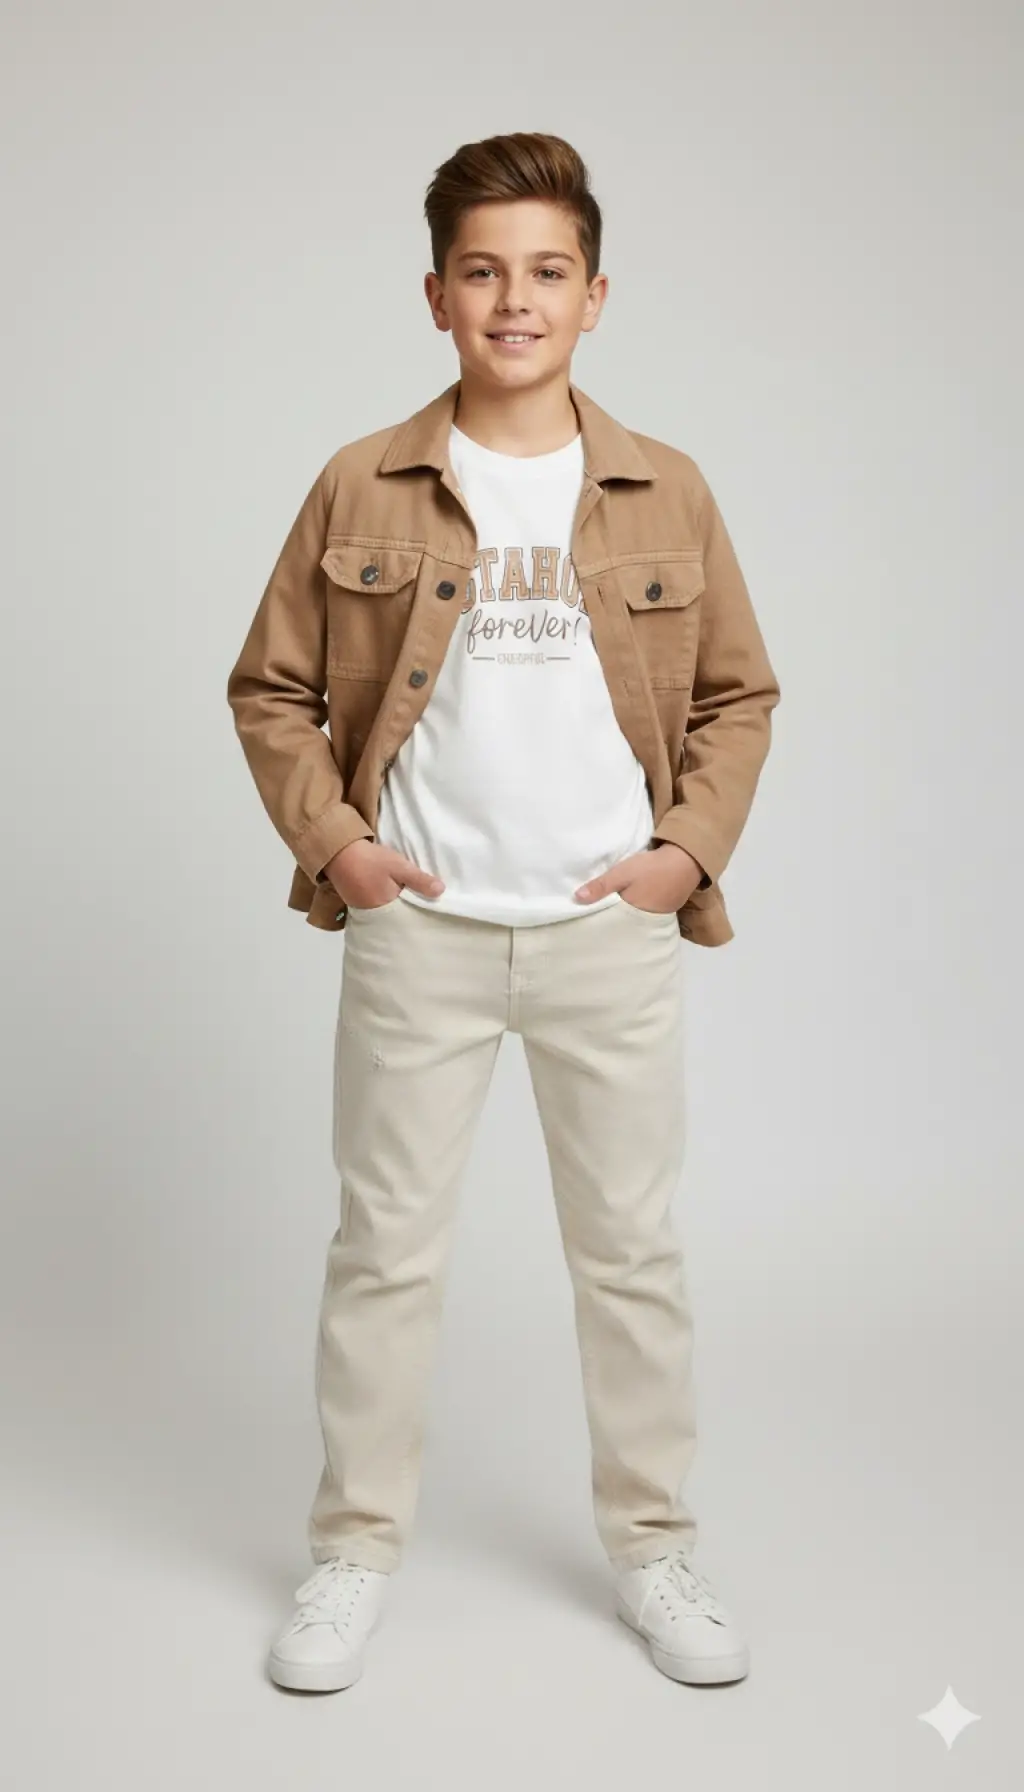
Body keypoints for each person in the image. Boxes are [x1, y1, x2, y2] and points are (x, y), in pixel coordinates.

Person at [226, 130, 781, 1694]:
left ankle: (655, 1550)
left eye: (546, 272)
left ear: (596, 296)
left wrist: (683, 854)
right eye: (483, 272)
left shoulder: (669, 487)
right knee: (385, 1252)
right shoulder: (362, 480)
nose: (514, 300)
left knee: (631, 1255)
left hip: (611, 933)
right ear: (436, 295)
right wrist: (342, 848)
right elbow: (269, 687)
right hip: (423, 933)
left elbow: (738, 695)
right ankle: (353, 1551)